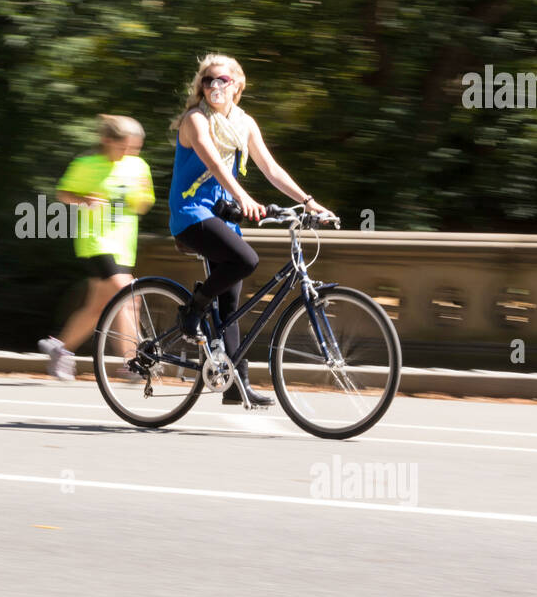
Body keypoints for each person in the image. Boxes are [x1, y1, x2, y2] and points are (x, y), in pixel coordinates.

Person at [169, 53, 333, 406]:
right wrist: (243, 196)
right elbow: (213, 160)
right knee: (245, 259)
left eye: (222, 80)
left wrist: (309, 202)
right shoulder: (195, 120)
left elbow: (271, 169)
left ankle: (235, 385)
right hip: (191, 214)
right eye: (208, 80)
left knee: (231, 307)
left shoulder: (244, 123)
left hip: (222, 216)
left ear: (237, 86)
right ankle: (193, 308)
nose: (214, 86)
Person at [38, 115, 154, 380]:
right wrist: (84, 199)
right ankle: (131, 361)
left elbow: (144, 204)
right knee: (130, 295)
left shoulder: (138, 166)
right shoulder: (86, 165)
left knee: (97, 308)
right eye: (122, 147)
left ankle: (61, 350)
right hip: (95, 241)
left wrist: (139, 197)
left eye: (134, 148)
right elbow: (63, 194)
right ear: (106, 140)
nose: (128, 153)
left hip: (123, 243)